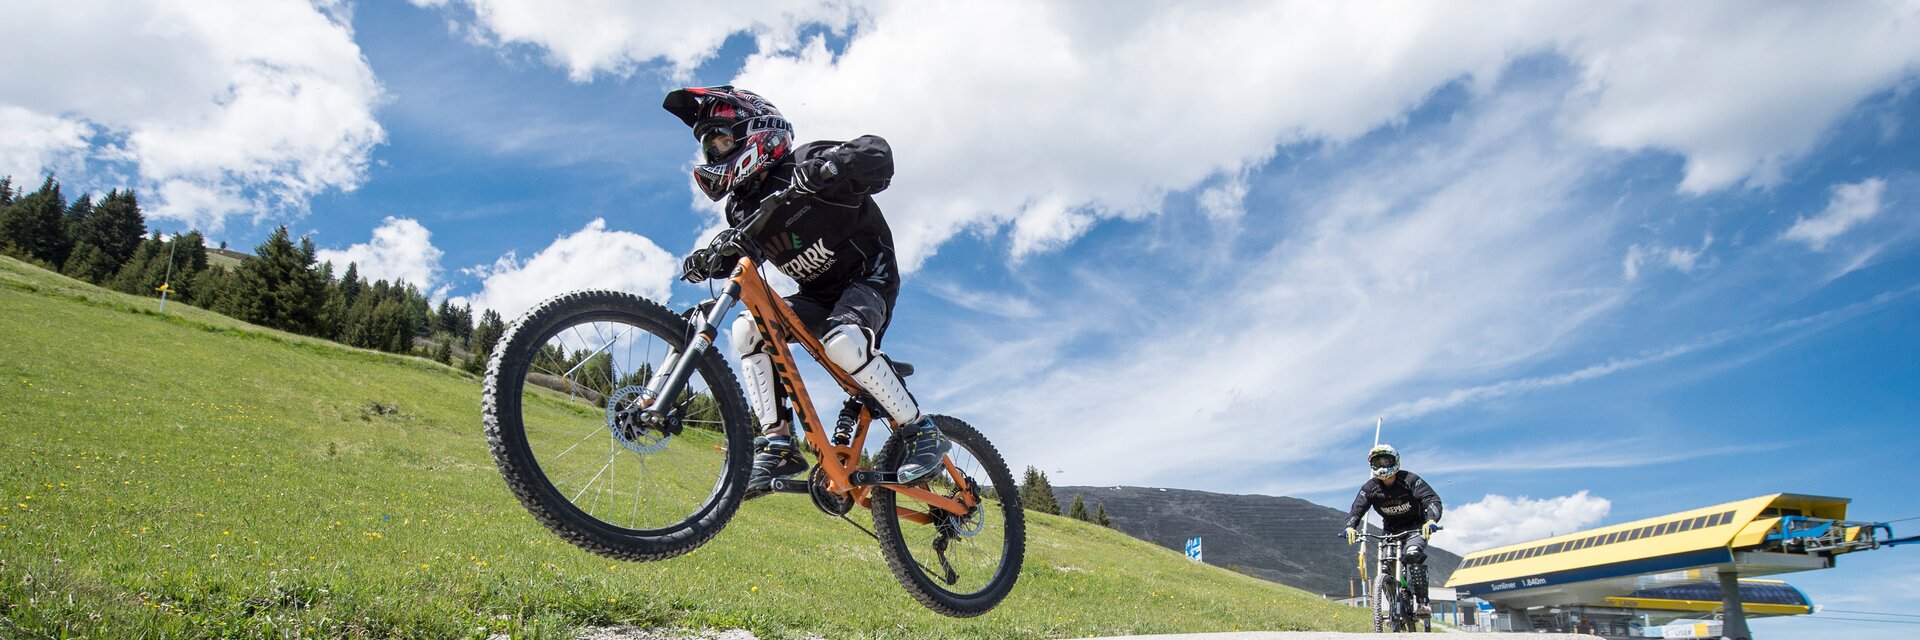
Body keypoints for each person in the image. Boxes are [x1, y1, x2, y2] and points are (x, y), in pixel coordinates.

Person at [663, 85, 950, 498]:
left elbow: (878, 154)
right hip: (817, 296)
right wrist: (712, 257)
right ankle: (779, 444)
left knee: (844, 342)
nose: (715, 153)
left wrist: (831, 168)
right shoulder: (741, 207)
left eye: (722, 140)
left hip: (869, 278)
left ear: (755, 132)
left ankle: (921, 431)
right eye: (710, 147)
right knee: (747, 331)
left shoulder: (804, 160)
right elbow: (743, 247)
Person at [1343, 443, 1443, 617]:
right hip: (1390, 530)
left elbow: (1431, 499)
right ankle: (1396, 604)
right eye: (1378, 462)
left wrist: (1432, 520)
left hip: (1416, 527)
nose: (1383, 466)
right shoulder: (1369, 488)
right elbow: (1357, 509)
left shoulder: (1410, 480)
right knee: (1386, 565)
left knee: (1412, 554)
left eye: (1386, 461)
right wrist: (1350, 526)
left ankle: (1422, 602)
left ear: (1395, 461)